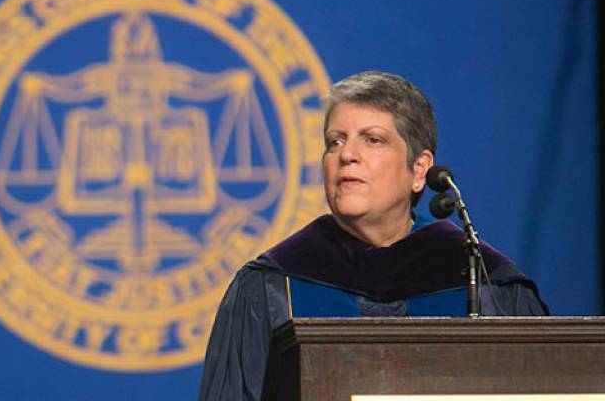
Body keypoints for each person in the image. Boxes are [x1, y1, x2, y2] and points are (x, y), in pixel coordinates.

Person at [197, 71, 547, 401]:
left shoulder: (483, 281)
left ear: (419, 169)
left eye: (373, 139)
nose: (347, 155)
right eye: (334, 142)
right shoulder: (272, 285)